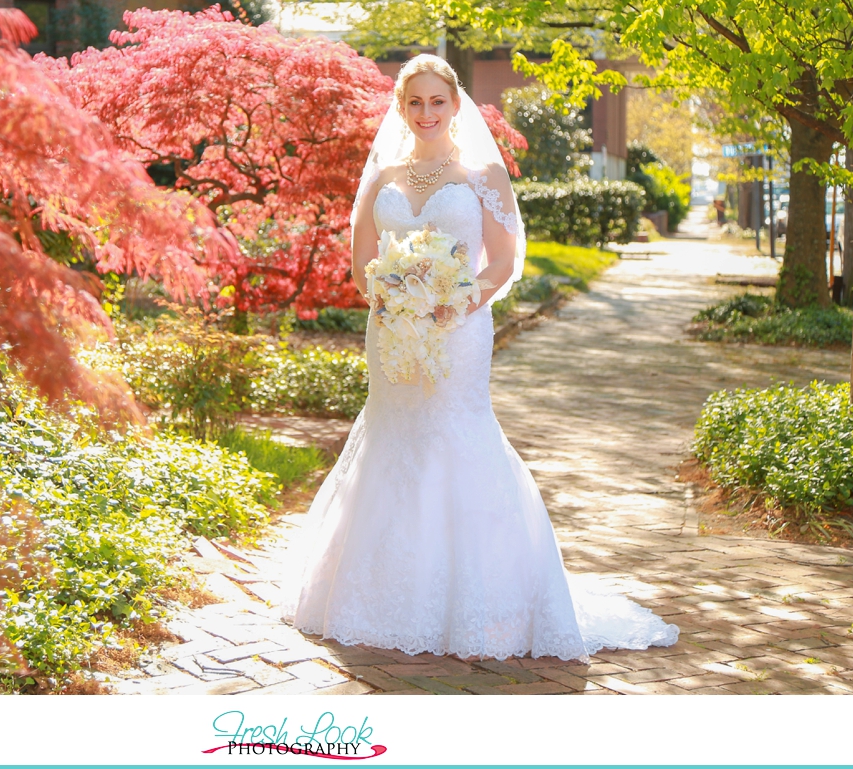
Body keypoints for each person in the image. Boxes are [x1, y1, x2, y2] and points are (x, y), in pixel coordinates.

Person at [281, 55, 678, 661]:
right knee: (394, 437)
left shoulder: (482, 176)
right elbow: (362, 265)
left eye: (437, 101)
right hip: (391, 328)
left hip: (460, 329)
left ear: (456, 104)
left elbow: (500, 261)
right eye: (415, 102)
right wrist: (390, 295)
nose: (426, 113)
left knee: (455, 436)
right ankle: (377, 592)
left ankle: (479, 599)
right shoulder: (383, 177)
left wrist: (453, 301)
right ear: (400, 107)